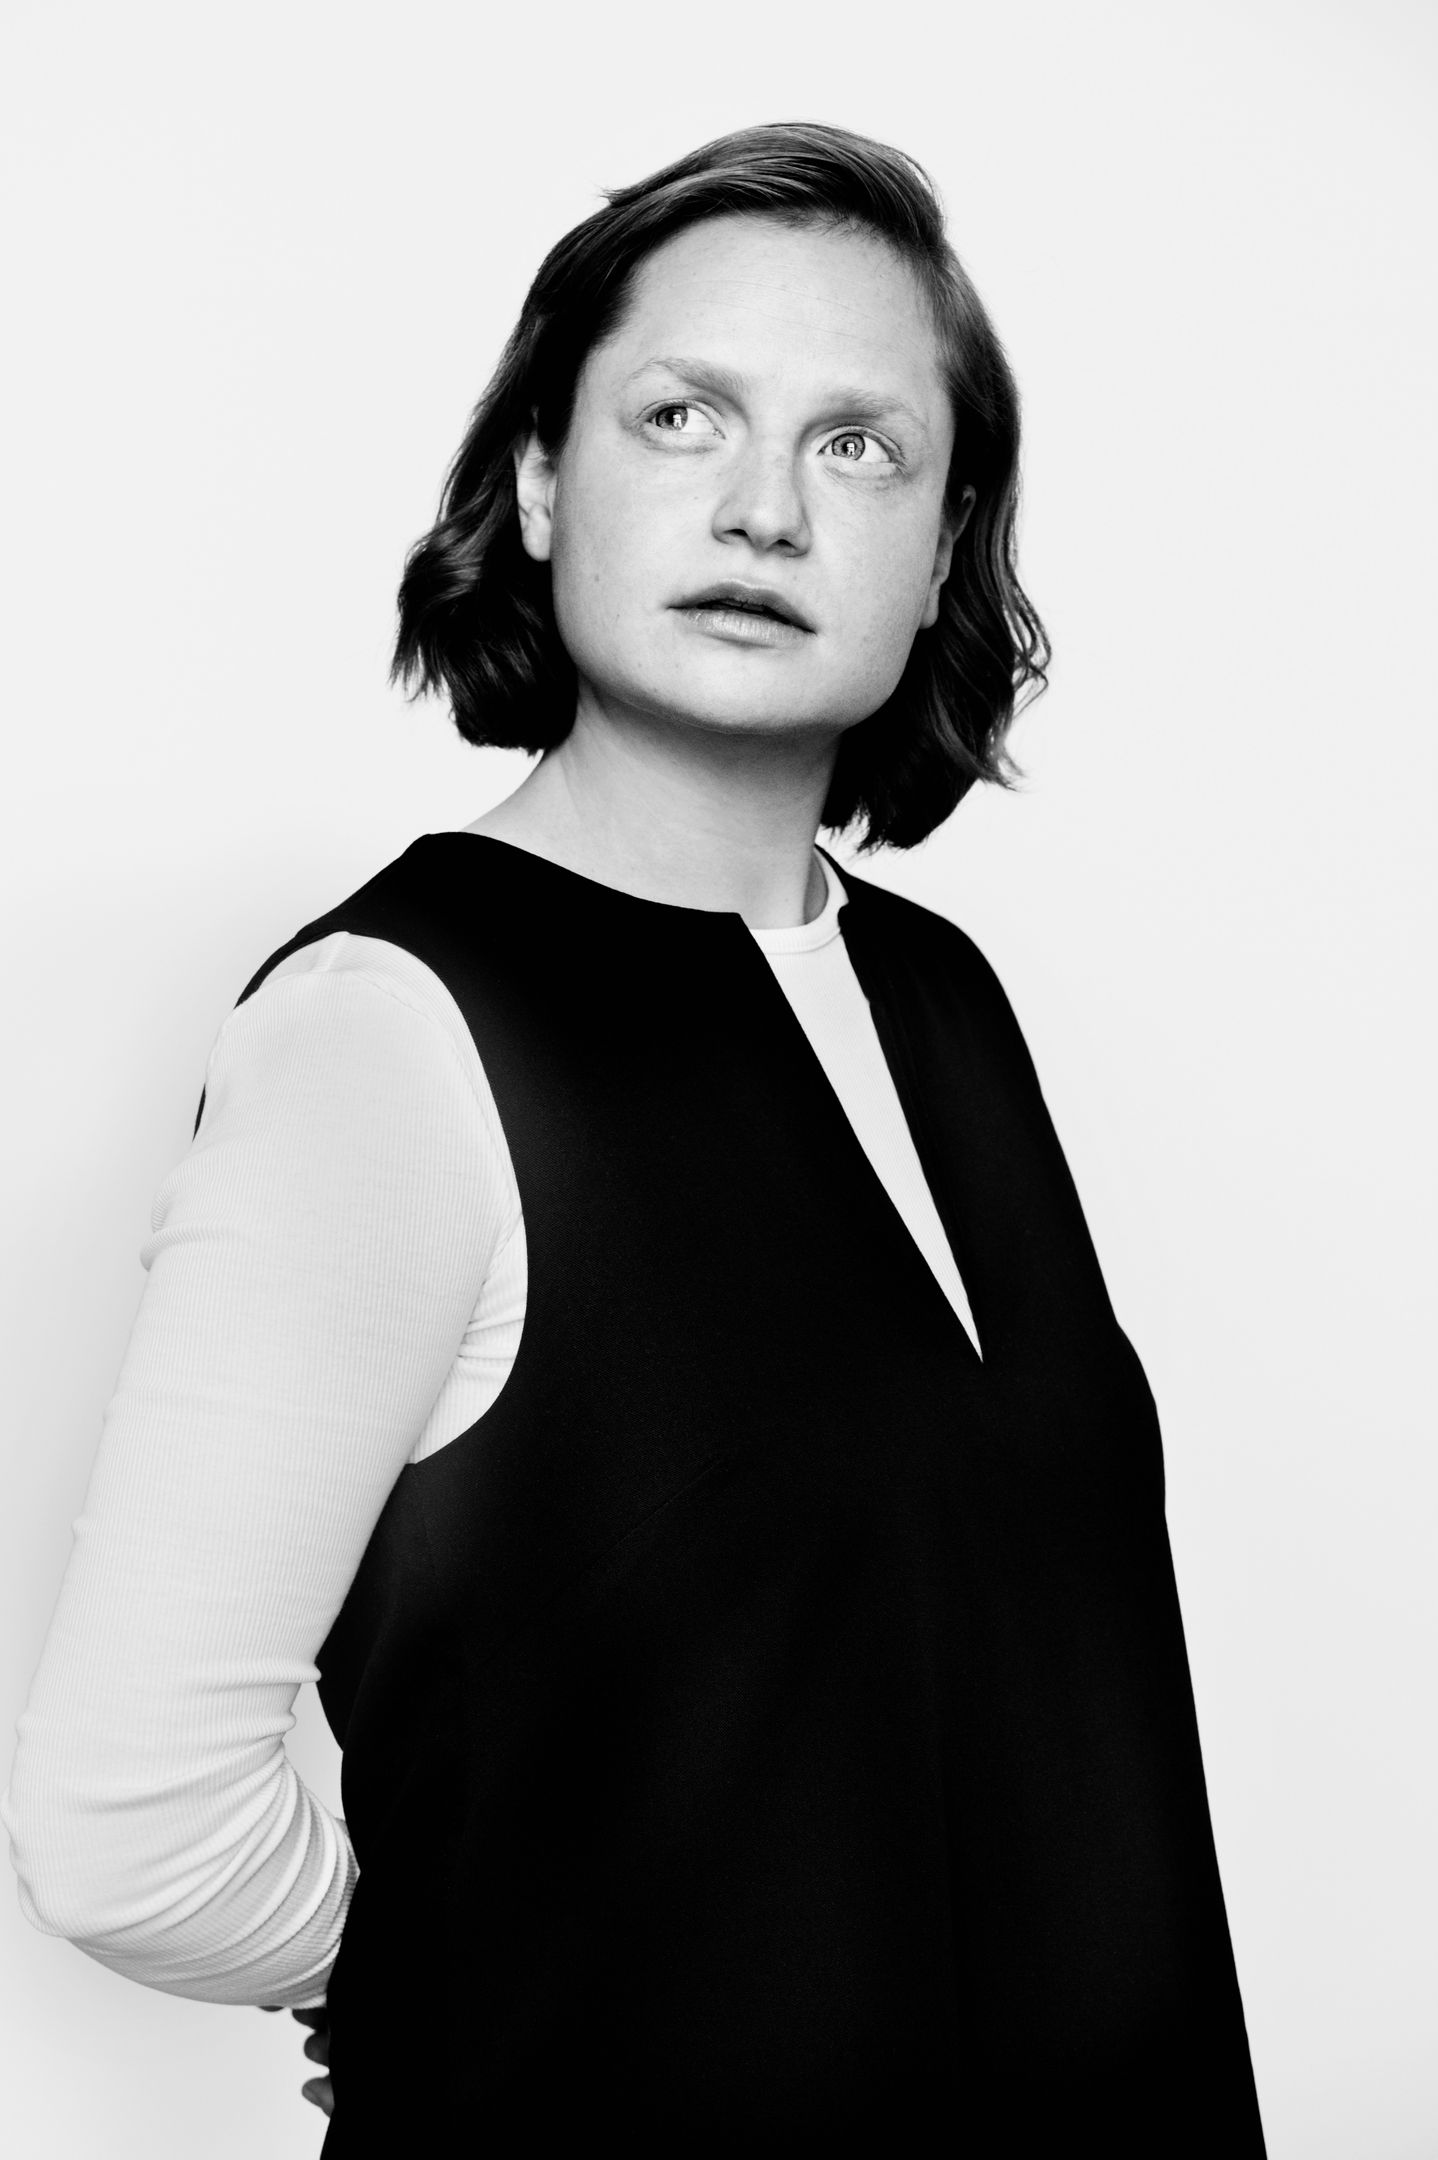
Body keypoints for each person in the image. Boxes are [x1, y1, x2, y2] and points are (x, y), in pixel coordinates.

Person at [3, 122, 1268, 2150]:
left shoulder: (938, 995)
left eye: (858, 445)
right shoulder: (388, 1030)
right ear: (537, 479)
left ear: (942, 543)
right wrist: (460, 1973)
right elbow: (123, 1822)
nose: (764, 506)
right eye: (682, 415)